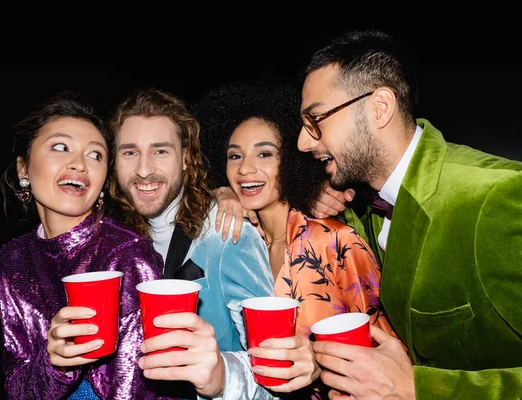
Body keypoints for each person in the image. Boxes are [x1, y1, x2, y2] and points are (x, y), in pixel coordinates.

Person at [297, 29, 522, 399]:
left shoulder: (497, 197)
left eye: (315, 119)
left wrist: (418, 389)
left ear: (380, 107)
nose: (304, 142)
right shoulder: (367, 205)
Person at [195, 81, 401, 399]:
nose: (245, 169)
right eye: (234, 156)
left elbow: (386, 351)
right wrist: (218, 192)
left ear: (290, 160)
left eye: (264, 153)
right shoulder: (237, 244)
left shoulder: (333, 241)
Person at [0, 90, 176, 400]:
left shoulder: (126, 255)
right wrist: (54, 365)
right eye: (60, 147)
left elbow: (144, 390)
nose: (80, 165)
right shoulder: (11, 261)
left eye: (95, 154)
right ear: (23, 169)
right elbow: (17, 388)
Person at [107, 87, 275, 399]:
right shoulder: (115, 242)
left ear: (185, 159)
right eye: (130, 152)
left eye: (160, 151)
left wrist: (223, 380)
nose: (143, 170)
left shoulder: (225, 234)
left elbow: (274, 374)